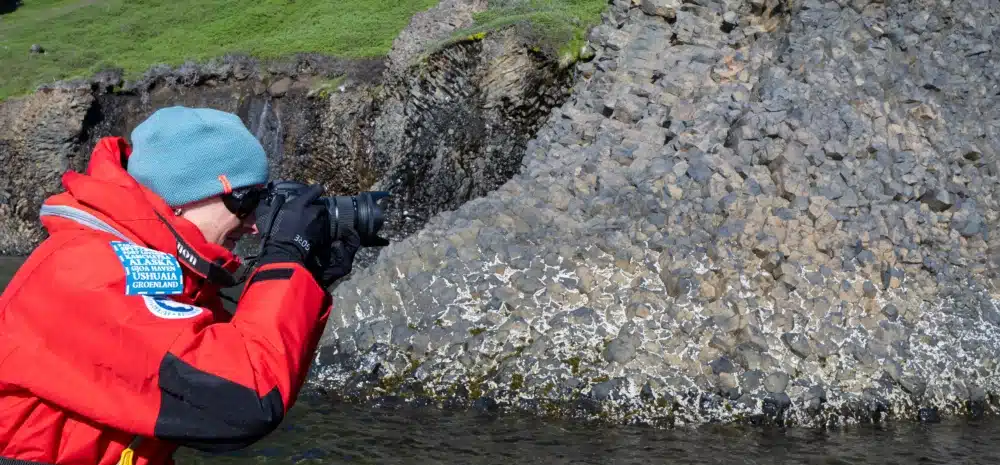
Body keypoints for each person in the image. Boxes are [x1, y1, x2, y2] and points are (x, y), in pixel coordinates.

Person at [0, 106, 359, 464]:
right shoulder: (88, 272)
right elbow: (243, 402)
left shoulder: (157, 271)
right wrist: (284, 259)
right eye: (246, 201)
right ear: (181, 198)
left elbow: (246, 358)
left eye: (261, 203)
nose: (253, 224)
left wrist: (307, 275)